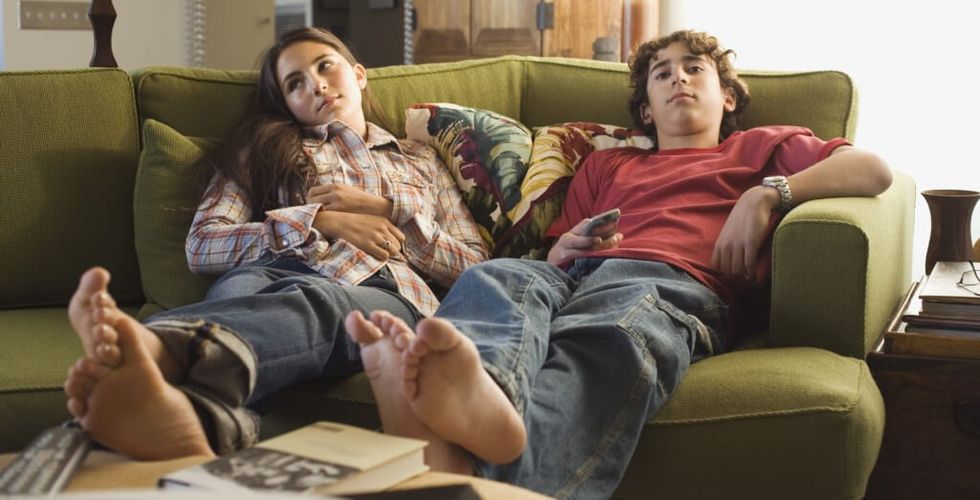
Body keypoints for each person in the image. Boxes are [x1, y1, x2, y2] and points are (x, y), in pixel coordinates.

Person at [344, 29, 894, 498]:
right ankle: (482, 395)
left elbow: (872, 171)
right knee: (496, 277)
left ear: (727, 97)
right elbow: (556, 254)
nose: (678, 78)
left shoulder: (760, 147)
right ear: (645, 110)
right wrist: (570, 246)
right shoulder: (609, 164)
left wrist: (767, 195)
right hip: (574, 274)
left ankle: (484, 469)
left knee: (610, 332)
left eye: (694, 69)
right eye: (662, 74)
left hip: (671, 283)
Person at [61, 26, 488, 460]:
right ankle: (188, 419)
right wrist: (322, 221)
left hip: (379, 289)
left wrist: (386, 209)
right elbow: (204, 244)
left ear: (358, 74)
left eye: (326, 67)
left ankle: (155, 351)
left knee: (318, 303)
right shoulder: (260, 150)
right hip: (264, 275)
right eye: (295, 83)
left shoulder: (422, 160)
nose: (317, 85)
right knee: (244, 293)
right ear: (286, 103)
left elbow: (476, 265)